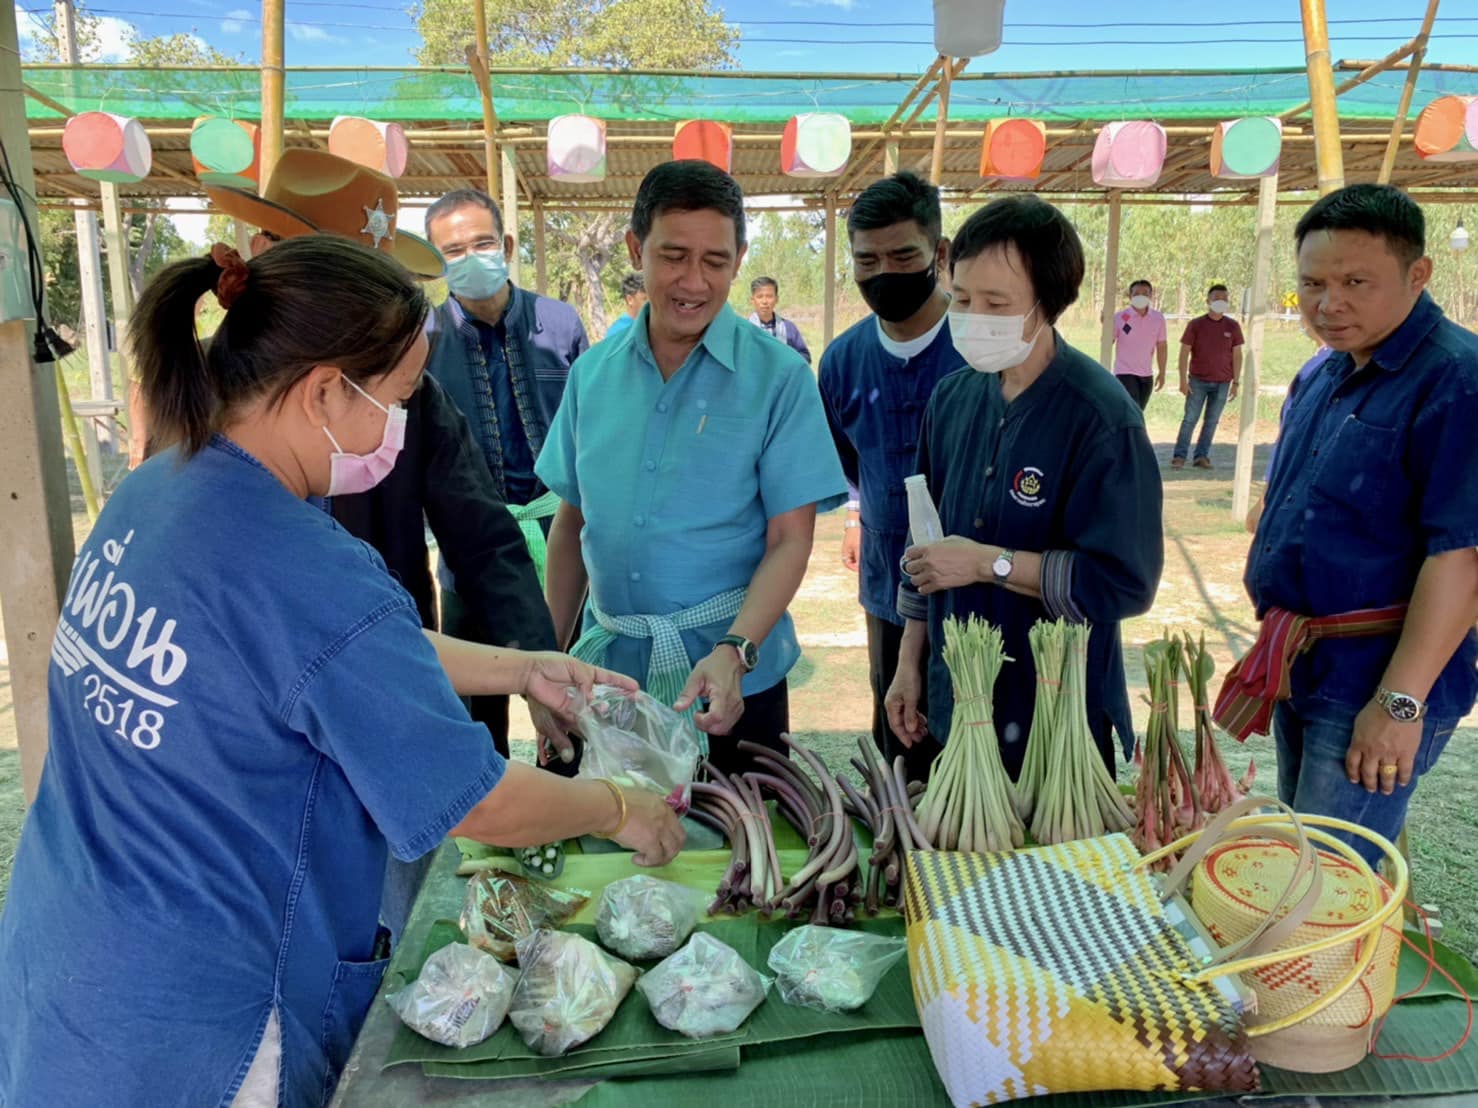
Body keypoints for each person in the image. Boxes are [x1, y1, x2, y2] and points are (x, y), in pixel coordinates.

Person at [0, 237, 683, 1107]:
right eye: (396, 400)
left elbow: (323, 659)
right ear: (325, 388)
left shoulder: (160, 488)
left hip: (67, 962)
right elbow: (474, 798)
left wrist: (520, 670)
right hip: (204, 1024)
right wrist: (619, 807)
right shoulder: (302, 564)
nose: (397, 429)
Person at [537, 160, 848, 776]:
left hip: (732, 685)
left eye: (715, 261)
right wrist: (548, 658)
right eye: (673, 256)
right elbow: (572, 526)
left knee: (739, 854)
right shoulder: (591, 377)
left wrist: (736, 649)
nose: (694, 281)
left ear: (739, 259)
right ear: (636, 248)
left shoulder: (779, 378)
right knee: (603, 855)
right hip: (609, 682)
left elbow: (790, 539)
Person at [1219, 184, 1478, 866]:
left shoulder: (1457, 379)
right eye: (1312, 283)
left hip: (1377, 674)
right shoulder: (1321, 372)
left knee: (1322, 884)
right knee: (1300, 859)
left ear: (1418, 274)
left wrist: (1400, 706)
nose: (1328, 304)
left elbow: (1463, 560)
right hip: (1303, 662)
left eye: (1355, 282)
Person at [886, 195, 1163, 778]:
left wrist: (991, 564)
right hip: (958, 705)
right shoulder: (952, 398)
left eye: (996, 303)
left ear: (1046, 306)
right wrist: (909, 659)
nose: (972, 315)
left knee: (1049, 868)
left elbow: (1123, 585)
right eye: (960, 298)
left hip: (1055, 721)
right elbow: (924, 544)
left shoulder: (1100, 417)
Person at [423, 189, 589, 742]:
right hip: (467, 547)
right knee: (476, 705)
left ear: (507, 244)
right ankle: (493, 820)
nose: (470, 259)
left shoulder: (560, 324)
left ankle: (577, 801)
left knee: (570, 687)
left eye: (482, 243)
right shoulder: (423, 340)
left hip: (559, 536)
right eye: (453, 251)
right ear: (436, 259)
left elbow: (592, 432)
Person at [818, 171, 957, 778]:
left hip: (977, 590)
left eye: (904, 256)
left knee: (972, 743)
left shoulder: (979, 348)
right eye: (866, 260)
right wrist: (858, 514)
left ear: (940, 254)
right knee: (900, 742)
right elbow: (849, 462)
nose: (885, 275)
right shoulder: (843, 361)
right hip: (885, 586)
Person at [1173, 283, 1244, 469]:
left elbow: (1237, 355)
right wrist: (1182, 380)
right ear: (1208, 301)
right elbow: (1184, 352)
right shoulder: (1195, 325)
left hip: (1223, 382)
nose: (1220, 302)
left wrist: (1236, 382)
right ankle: (1179, 456)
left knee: (1211, 421)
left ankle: (1201, 456)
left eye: (1224, 299)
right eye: (1216, 298)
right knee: (1190, 419)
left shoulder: (1233, 326)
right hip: (1197, 381)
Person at [1110, 278, 1168, 410]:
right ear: (1130, 296)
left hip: (1146, 374)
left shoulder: (1158, 319)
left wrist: (1162, 372)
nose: (1140, 297)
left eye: (1145, 294)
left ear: (1151, 296)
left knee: (1139, 411)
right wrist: (1106, 325)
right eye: (1136, 294)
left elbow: (1162, 346)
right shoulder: (1120, 317)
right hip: (1124, 373)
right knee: (1132, 409)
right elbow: (1108, 341)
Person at [748, 276, 812, 364]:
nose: (764, 301)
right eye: (759, 297)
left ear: (776, 299)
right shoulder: (744, 329)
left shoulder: (789, 328)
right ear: (752, 300)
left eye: (769, 296)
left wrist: (787, 361)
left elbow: (805, 356)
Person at [606, 272, 646, 339]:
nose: (651, 304)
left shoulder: (652, 325)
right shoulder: (617, 332)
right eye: (645, 299)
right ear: (630, 300)